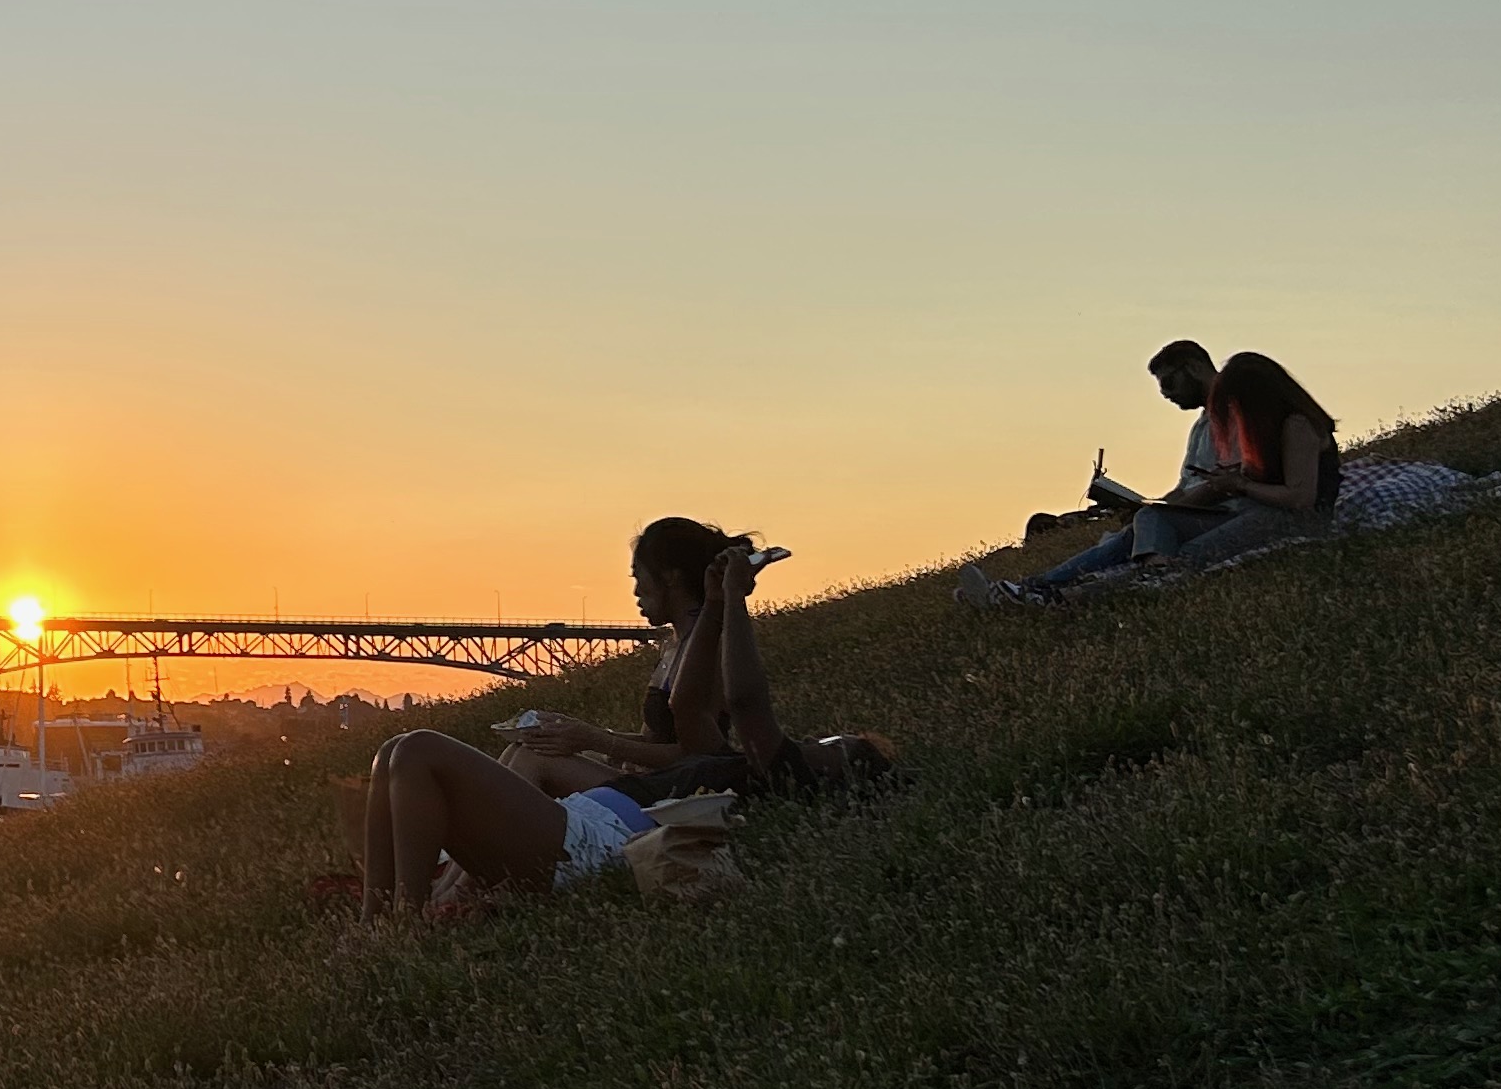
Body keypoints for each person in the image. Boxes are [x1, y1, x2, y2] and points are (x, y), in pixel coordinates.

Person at [365, 525, 889, 914]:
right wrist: (715, 602)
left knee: (415, 748)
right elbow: (686, 714)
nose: (825, 737)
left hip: (596, 840)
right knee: (395, 753)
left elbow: (732, 708)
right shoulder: (726, 759)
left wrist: (727, 602)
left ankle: (412, 918)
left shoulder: (766, 764)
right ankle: (386, 915)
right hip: (592, 820)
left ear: (834, 772)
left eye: (840, 744)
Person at [499, 520, 892, 805]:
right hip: (657, 780)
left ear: (669, 577)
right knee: (527, 750)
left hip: (672, 790)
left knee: (532, 758)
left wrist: (594, 740)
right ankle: (454, 886)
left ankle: (464, 888)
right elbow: (658, 739)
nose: (635, 589)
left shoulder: (710, 647)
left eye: (639, 576)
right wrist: (579, 733)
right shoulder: (674, 645)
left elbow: (695, 749)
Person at [965, 341, 1343, 603]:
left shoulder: (1297, 425)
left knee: (1185, 551)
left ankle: (1065, 597)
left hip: (1286, 519)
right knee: (1150, 519)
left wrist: (1237, 483)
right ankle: (1037, 589)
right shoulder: (1257, 430)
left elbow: (1300, 498)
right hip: (1247, 510)